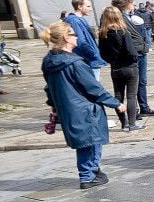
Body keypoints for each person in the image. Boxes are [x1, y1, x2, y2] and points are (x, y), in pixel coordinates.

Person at [41, 21, 126, 189]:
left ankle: (93, 170)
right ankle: (88, 176)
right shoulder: (76, 64)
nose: (77, 37)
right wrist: (115, 103)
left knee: (86, 142)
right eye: (73, 34)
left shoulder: (49, 60)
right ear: (66, 37)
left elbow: (49, 87)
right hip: (85, 109)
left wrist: (53, 104)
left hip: (68, 108)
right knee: (91, 142)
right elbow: (93, 88)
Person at [113, 0, 154, 118]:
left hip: (141, 52)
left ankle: (144, 107)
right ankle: (134, 111)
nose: (134, 3)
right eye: (131, 1)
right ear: (125, 3)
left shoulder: (134, 14)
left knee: (142, 82)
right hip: (132, 54)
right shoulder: (117, 17)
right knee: (132, 84)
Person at [97, 6, 143, 132]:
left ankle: (124, 124)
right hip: (129, 67)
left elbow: (101, 53)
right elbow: (131, 50)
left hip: (115, 67)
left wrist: (111, 60)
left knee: (118, 95)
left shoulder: (103, 34)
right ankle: (132, 124)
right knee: (131, 96)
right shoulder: (123, 31)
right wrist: (134, 59)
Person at [66, 0, 108, 81]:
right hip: (88, 61)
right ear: (79, 6)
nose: (91, 9)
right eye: (88, 6)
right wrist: (94, 54)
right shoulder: (75, 21)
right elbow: (81, 42)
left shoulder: (79, 20)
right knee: (93, 88)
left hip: (89, 60)